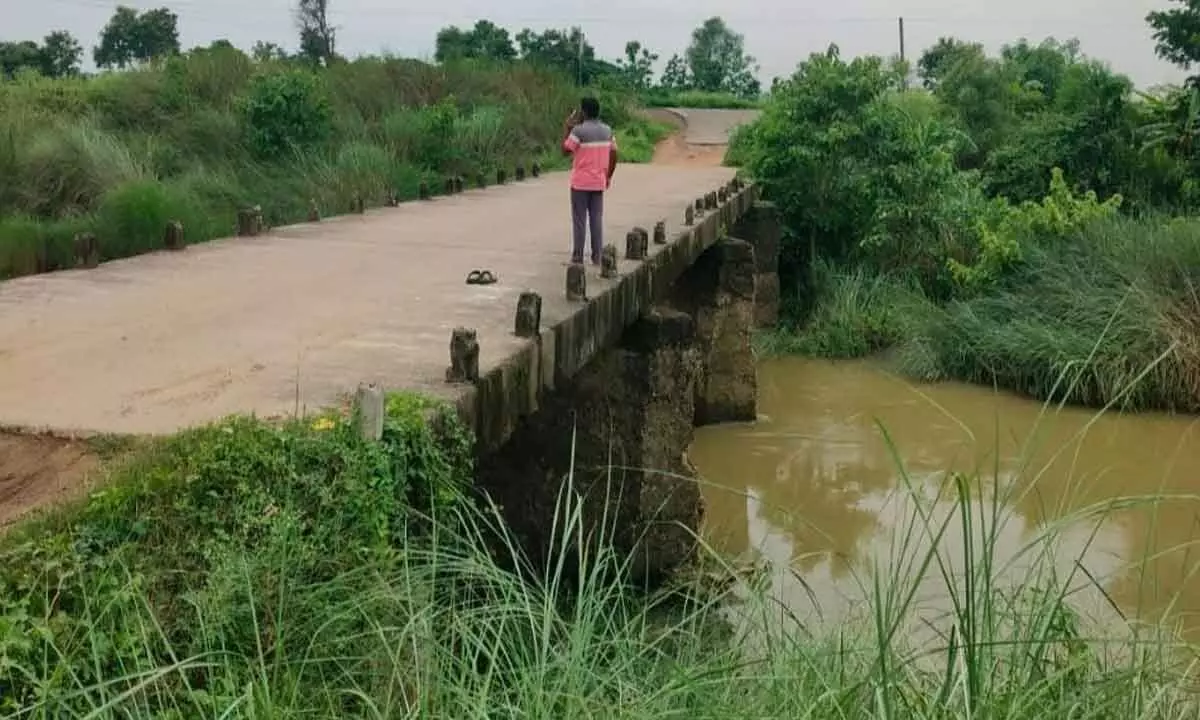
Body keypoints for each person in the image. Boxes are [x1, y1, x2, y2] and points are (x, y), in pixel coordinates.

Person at [562, 96, 618, 265]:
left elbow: (565, 150)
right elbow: (614, 153)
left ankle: (578, 256)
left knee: (579, 220)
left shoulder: (578, 131)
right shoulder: (607, 130)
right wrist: (608, 175)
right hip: (598, 181)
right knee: (596, 219)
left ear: (584, 111)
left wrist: (567, 128)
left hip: (580, 183)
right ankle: (597, 256)